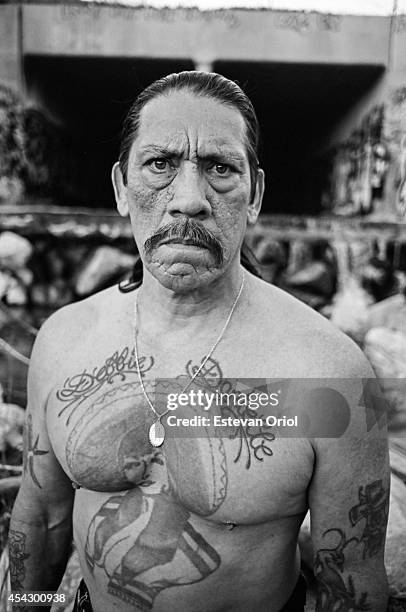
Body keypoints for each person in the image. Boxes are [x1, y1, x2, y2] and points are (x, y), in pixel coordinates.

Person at [9, 71, 389, 612]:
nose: (189, 199)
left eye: (220, 169)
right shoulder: (63, 339)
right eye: (160, 164)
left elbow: (351, 585)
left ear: (255, 194)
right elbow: (41, 520)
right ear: (121, 188)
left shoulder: (333, 373)